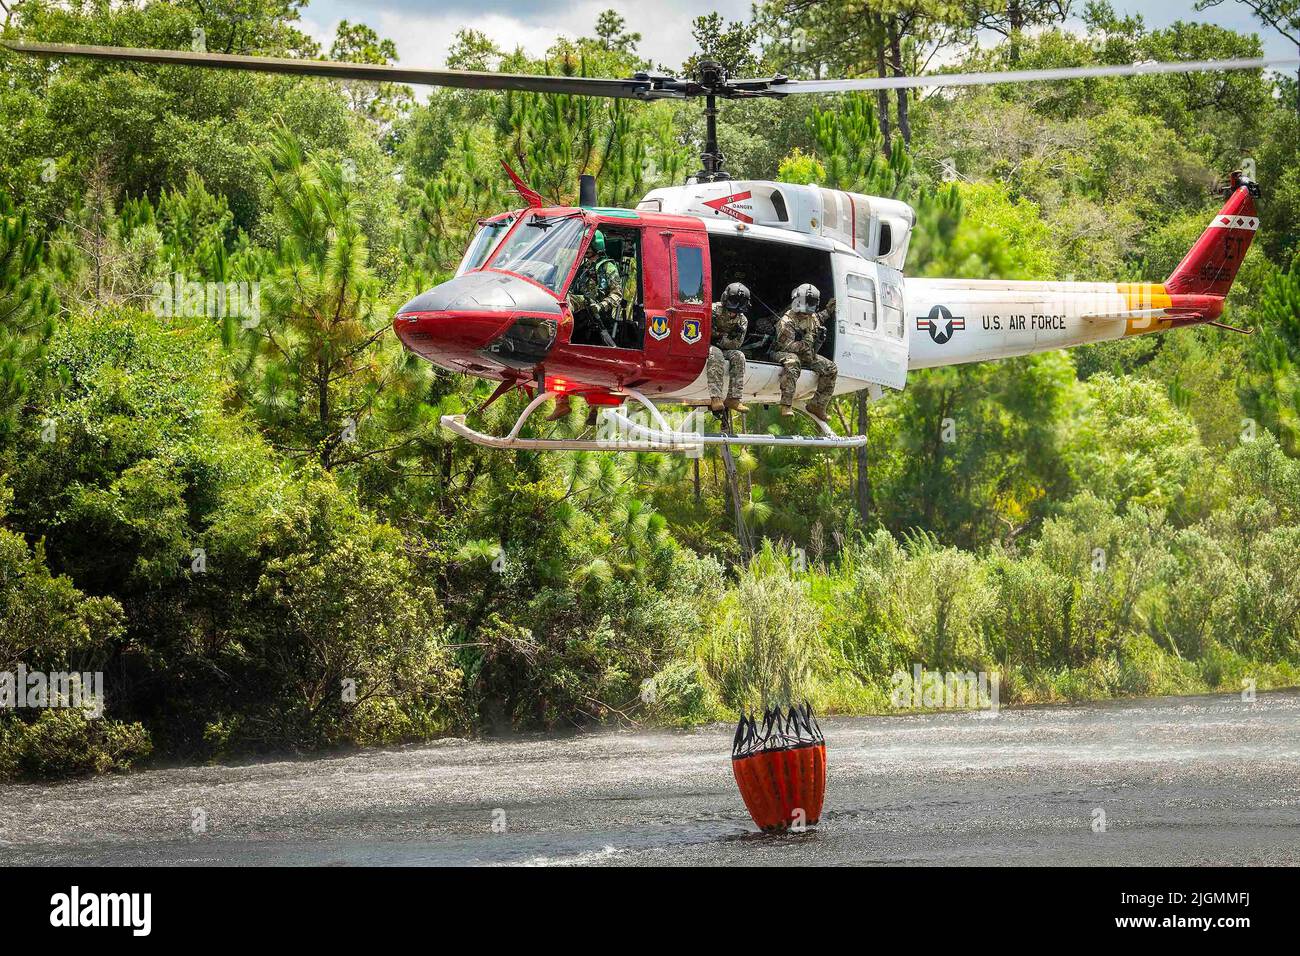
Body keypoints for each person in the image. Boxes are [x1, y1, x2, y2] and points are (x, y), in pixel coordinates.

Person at [551, 230, 623, 421]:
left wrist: (600, 307)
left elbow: (617, 294)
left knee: (564, 301)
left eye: (587, 245)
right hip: (580, 316)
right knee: (562, 357)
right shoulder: (582, 268)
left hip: (593, 314)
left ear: (594, 246)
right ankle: (562, 402)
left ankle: (593, 407)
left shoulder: (607, 268)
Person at [772, 283, 837, 422]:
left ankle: (817, 406)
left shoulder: (810, 316)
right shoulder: (787, 321)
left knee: (831, 368)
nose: (805, 314)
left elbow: (817, 319)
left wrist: (829, 310)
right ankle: (786, 405)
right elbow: (786, 346)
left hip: (805, 353)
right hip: (780, 352)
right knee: (792, 362)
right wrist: (805, 343)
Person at [707, 282, 751, 413]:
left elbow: (737, 344)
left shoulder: (742, 320)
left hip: (725, 347)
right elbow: (704, 332)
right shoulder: (713, 310)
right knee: (715, 354)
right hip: (709, 345)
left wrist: (725, 339)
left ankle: (734, 398)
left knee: (739, 356)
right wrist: (722, 336)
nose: (733, 312)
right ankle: (716, 398)